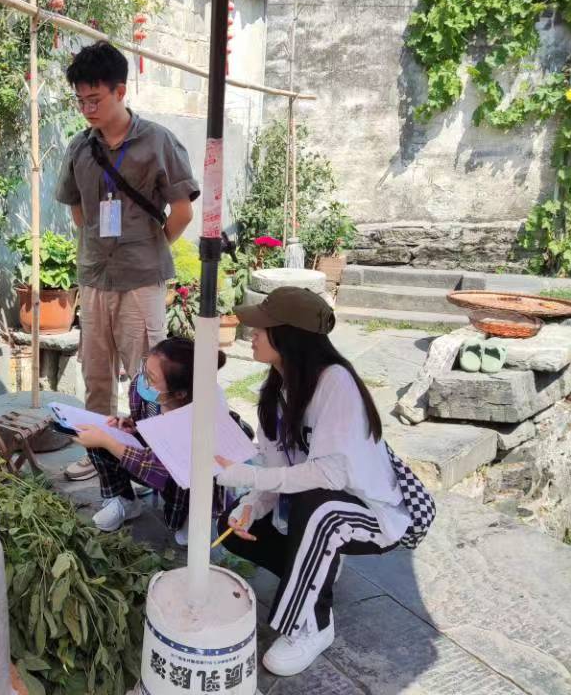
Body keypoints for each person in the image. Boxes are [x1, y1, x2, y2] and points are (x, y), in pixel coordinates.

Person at [214, 287, 412, 677]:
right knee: (233, 526)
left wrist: (245, 474)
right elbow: (275, 468)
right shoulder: (275, 390)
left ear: (289, 336)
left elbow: (330, 475)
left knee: (316, 506)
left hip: (369, 515)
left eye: (262, 327)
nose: (252, 334)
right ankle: (317, 569)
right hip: (312, 509)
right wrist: (252, 504)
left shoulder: (336, 382)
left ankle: (313, 624)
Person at [54, 42, 199, 482]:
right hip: (95, 277)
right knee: (96, 371)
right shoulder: (80, 148)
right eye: (80, 100)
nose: (86, 109)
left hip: (141, 279)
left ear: (120, 91)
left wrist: (151, 247)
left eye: (94, 99)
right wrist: (97, 245)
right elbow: (76, 208)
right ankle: (99, 453)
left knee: (148, 375)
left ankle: (154, 455)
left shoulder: (158, 142)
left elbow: (182, 212)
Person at [72, 337, 231, 546]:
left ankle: (192, 515)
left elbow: (159, 467)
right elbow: (145, 423)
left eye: (151, 378)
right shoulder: (146, 390)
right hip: (156, 455)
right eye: (144, 370)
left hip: (186, 475)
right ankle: (126, 501)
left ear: (180, 393)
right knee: (103, 434)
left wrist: (107, 441)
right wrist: (131, 425)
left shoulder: (200, 416)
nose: (142, 380)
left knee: (185, 491)